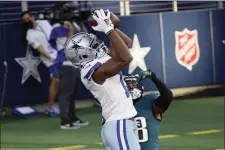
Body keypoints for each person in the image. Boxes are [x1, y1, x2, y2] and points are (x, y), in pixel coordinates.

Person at [64, 9, 140, 150]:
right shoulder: (90, 68)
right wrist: (108, 29)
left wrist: (110, 27)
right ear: (83, 54)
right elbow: (126, 58)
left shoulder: (99, 61)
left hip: (120, 124)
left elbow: (126, 43)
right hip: (118, 124)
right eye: (92, 45)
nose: (97, 44)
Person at [49, 20, 89, 129]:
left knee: (72, 94)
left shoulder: (75, 25)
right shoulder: (57, 28)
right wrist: (71, 29)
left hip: (74, 64)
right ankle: (65, 122)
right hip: (65, 64)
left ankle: (72, 118)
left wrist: (80, 24)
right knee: (65, 94)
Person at [20, 11, 60, 116]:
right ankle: (50, 107)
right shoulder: (29, 35)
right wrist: (52, 57)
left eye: (28, 18)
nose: (27, 21)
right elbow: (40, 49)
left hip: (61, 53)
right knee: (56, 80)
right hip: (50, 59)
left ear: (33, 17)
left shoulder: (44, 23)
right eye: (24, 21)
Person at [124, 69, 173, 150]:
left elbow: (167, 96)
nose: (131, 89)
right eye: (128, 87)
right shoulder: (118, 107)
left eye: (133, 85)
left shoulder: (149, 102)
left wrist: (152, 76)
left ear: (140, 87)